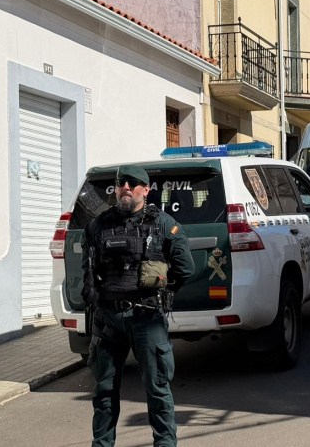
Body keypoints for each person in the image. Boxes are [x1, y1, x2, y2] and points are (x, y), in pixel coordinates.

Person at [82, 164, 194, 447]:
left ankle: (165, 444)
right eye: (121, 183)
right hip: (107, 319)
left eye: (133, 183)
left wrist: (163, 292)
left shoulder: (163, 224)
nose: (126, 188)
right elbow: (88, 271)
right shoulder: (98, 225)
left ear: (146, 189)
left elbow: (185, 268)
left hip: (146, 316)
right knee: (104, 391)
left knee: (157, 389)